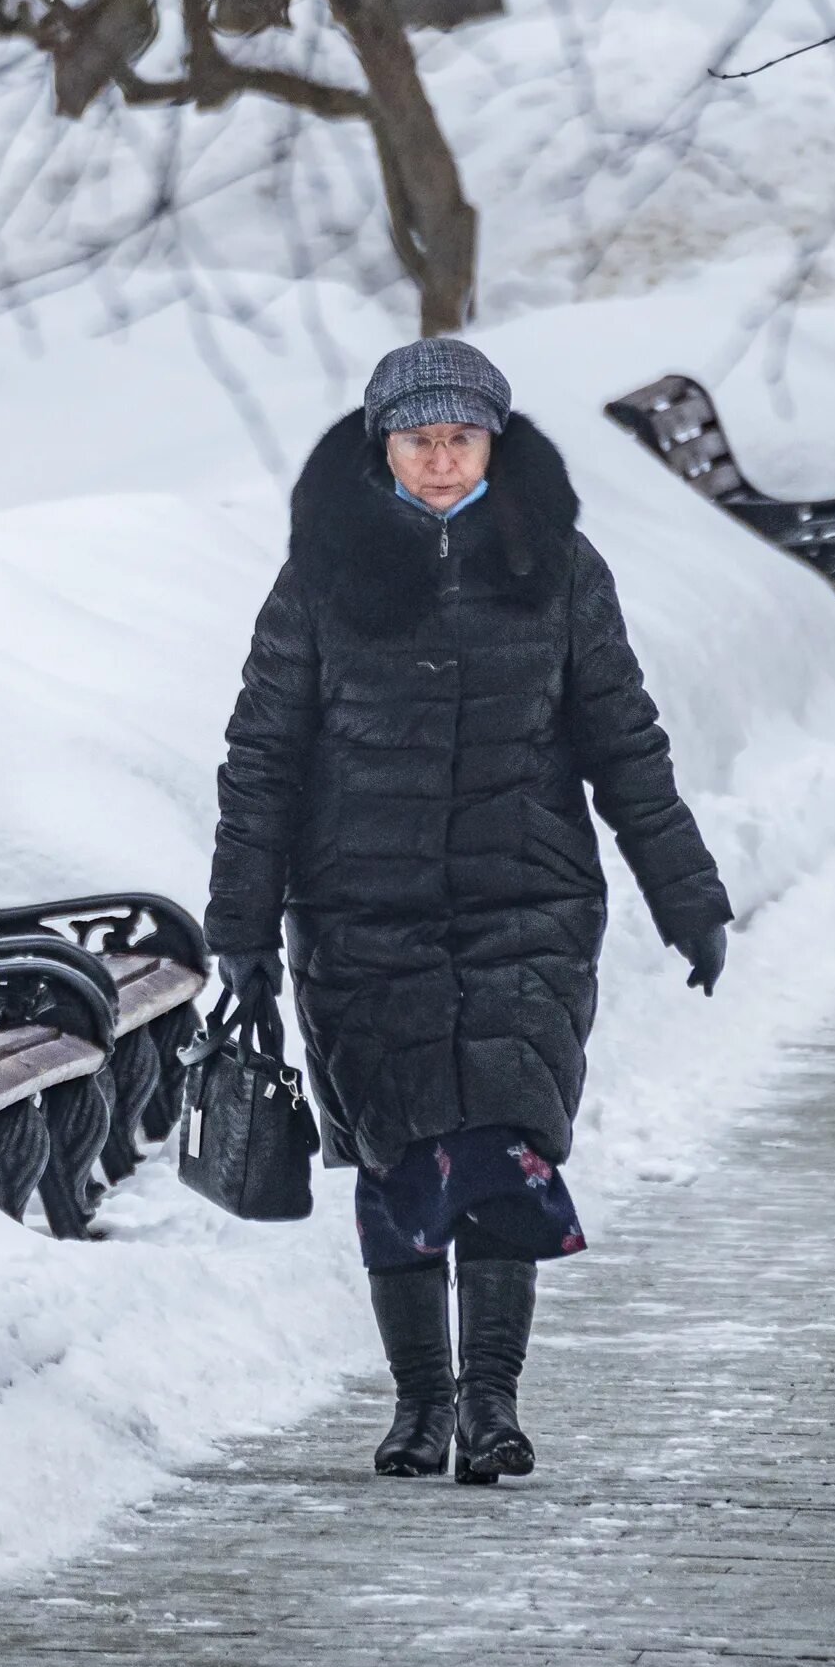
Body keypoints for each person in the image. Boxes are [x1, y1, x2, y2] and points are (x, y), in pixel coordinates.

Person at [205, 338, 732, 1482]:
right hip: (358, 914)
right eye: (417, 440)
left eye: (459, 439)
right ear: (379, 444)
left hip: (525, 903)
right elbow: (263, 759)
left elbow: (623, 742)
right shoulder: (321, 573)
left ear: (492, 441)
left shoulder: (556, 565)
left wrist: (687, 896)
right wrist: (240, 931)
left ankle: (492, 1404)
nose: (439, 463)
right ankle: (420, 1404)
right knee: (401, 1158)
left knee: (502, 1150)